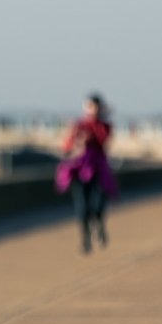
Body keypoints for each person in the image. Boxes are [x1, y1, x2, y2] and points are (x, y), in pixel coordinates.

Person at [55, 94, 118, 253]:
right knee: (81, 207)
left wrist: (90, 137)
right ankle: (86, 239)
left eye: (96, 107)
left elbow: (104, 139)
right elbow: (66, 146)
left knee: (98, 204)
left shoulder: (104, 125)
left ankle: (98, 226)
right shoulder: (78, 125)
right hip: (79, 170)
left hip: (98, 170)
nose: (93, 110)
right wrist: (76, 141)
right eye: (90, 106)